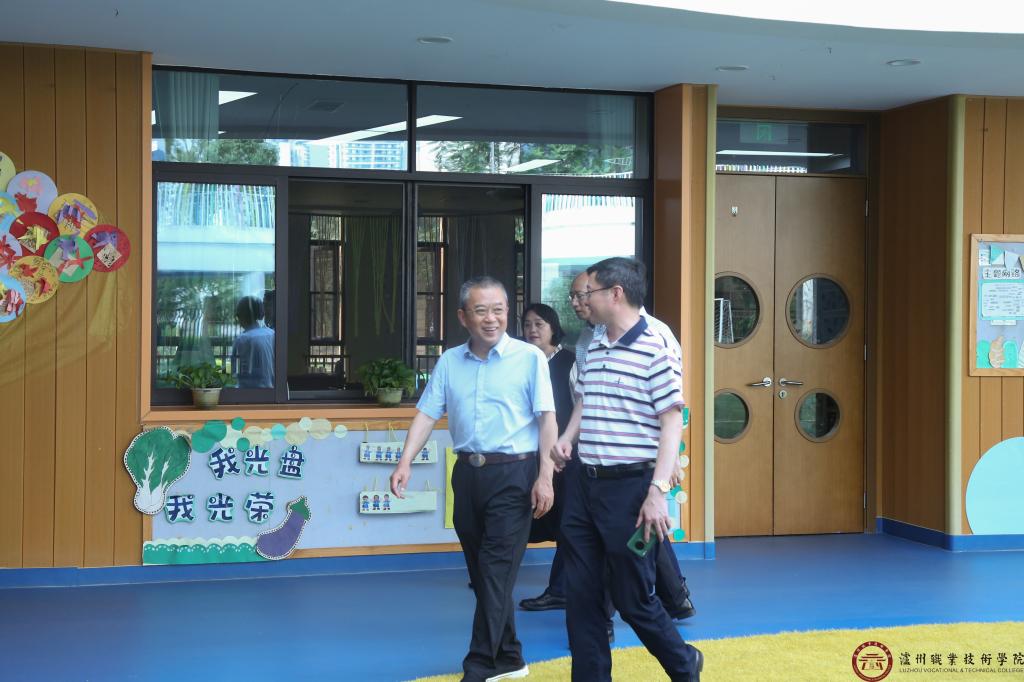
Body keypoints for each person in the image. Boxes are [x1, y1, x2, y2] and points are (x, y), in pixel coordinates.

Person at [390, 276, 557, 682]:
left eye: (498, 310)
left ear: (507, 313)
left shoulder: (528, 358)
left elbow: (547, 419)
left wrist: (545, 476)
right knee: (483, 573)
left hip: (515, 474)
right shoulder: (450, 361)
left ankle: (479, 665)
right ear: (463, 316)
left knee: (496, 570)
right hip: (466, 475)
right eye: (481, 311)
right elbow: (427, 414)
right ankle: (510, 657)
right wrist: (405, 461)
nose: (491, 318)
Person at [554, 258, 703, 681]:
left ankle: (684, 664)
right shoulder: (595, 342)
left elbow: (672, 420)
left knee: (633, 597)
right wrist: (568, 438)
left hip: (631, 489)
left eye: (589, 292)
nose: (583, 300)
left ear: (615, 293)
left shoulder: (656, 346)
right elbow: (586, 399)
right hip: (585, 484)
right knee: (581, 595)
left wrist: (658, 492)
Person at [517, 303, 576, 613]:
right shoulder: (520, 361)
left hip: (565, 454)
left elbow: (578, 408)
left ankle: (561, 590)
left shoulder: (570, 362)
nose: (532, 330)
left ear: (553, 328)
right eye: (527, 324)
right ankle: (496, 574)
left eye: (539, 324)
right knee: (516, 514)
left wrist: (566, 446)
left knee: (568, 521)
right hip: (527, 453)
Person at [231, 295, 275, 388]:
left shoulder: (242, 340)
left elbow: (235, 371)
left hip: (250, 392)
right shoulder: (271, 334)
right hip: (272, 389)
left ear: (242, 315)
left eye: (237, 315)